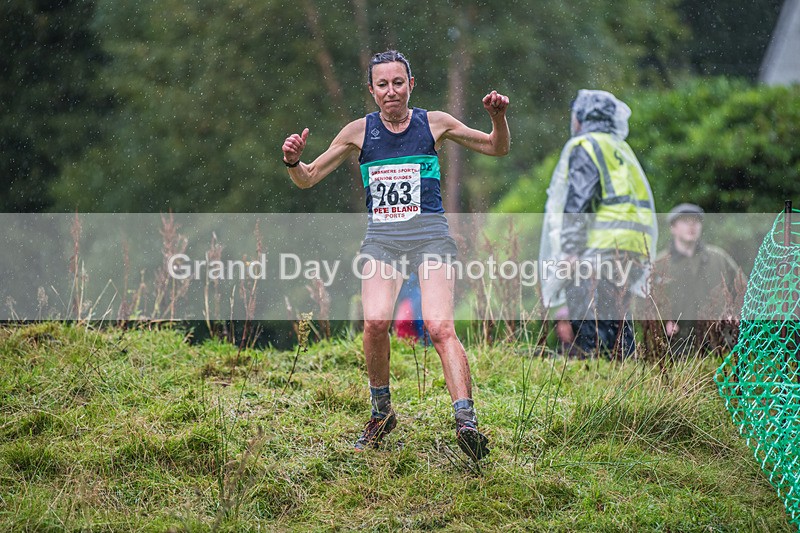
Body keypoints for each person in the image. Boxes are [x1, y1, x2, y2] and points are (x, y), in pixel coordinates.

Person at [281, 50, 510, 460]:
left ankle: (466, 422)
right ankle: (382, 413)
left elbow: (497, 149)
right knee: (375, 322)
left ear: (411, 84)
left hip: (430, 238)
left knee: (440, 326)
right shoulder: (358, 131)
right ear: (371, 90)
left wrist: (497, 117)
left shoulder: (434, 123)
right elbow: (308, 178)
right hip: (383, 243)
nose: (391, 91)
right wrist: (293, 160)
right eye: (382, 84)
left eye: (398, 83)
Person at [540, 89, 657, 358]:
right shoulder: (621, 148)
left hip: (602, 248)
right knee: (617, 320)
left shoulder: (586, 146)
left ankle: (596, 378)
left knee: (592, 326)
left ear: (582, 117)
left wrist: (569, 250)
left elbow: (580, 201)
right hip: (636, 248)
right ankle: (625, 377)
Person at [654, 203, 743, 354]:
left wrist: (735, 313)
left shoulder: (719, 258)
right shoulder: (659, 264)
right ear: (673, 228)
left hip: (721, 345)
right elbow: (644, 301)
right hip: (676, 347)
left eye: (695, 221)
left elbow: (744, 290)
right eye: (685, 221)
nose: (691, 226)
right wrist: (661, 322)